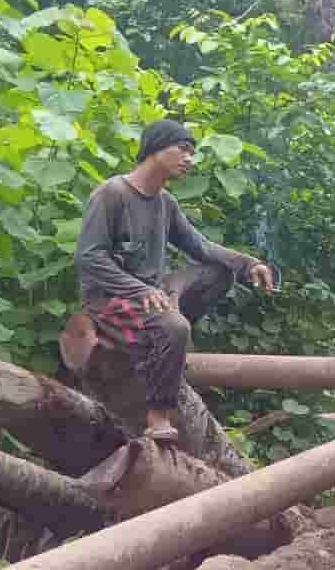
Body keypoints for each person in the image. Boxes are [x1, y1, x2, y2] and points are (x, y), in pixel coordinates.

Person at [72, 119, 276, 441]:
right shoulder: (112, 194)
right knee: (174, 328)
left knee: (218, 272)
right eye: (182, 149)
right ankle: (158, 418)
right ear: (155, 148)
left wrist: (248, 264)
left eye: (192, 153)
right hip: (111, 300)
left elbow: (200, 246)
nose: (189, 159)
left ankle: (167, 336)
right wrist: (138, 290)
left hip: (153, 294)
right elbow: (89, 258)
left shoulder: (165, 202)